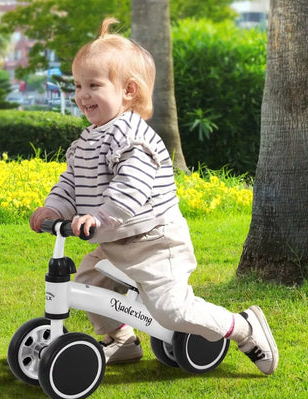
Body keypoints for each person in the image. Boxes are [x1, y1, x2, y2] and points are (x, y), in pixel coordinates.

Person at [30, 17, 278, 375]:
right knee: (88, 282)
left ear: (128, 91)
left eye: (93, 85)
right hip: (116, 241)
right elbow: (72, 181)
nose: (82, 95)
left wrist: (97, 217)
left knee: (171, 310)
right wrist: (54, 207)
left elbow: (129, 190)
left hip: (155, 243)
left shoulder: (134, 139)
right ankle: (121, 340)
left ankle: (243, 327)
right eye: (78, 84)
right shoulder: (89, 139)